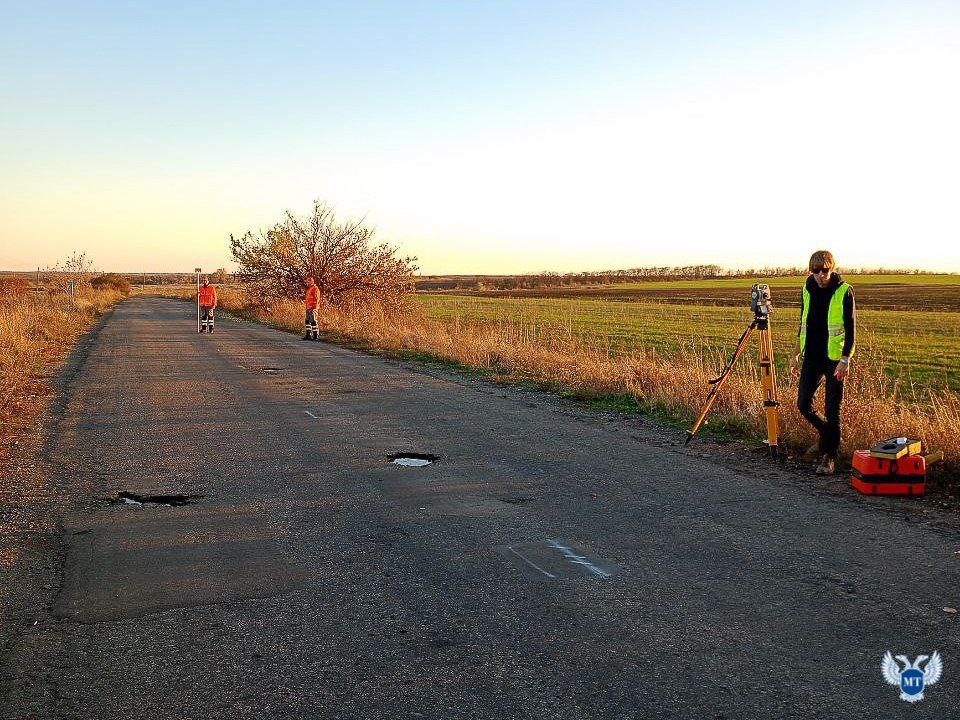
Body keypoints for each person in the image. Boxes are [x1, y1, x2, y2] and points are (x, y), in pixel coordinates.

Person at [789, 250, 856, 475]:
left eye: (825, 270)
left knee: (832, 410)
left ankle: (829, 457)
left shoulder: (844, 291)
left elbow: (851, 330)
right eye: (815, 271)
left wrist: (845, 360)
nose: (820, 275)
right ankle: (828, 436)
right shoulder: (806, 290)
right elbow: (802, 323)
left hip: (835, 359)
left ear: (832, 268)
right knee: (803, 405)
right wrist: (795, 353)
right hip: (812, 357)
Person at [303, 276, 320, 340]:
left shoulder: (315, 288)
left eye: (308, 282)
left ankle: (315, 336)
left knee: (313, 321)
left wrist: (314, 307)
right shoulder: (309, 289)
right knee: (307, 321)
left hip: (313, 307)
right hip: (308, 307)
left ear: (311, 282)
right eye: (306, 282)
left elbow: (317, 298)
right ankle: (308, 335)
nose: (307, 283)